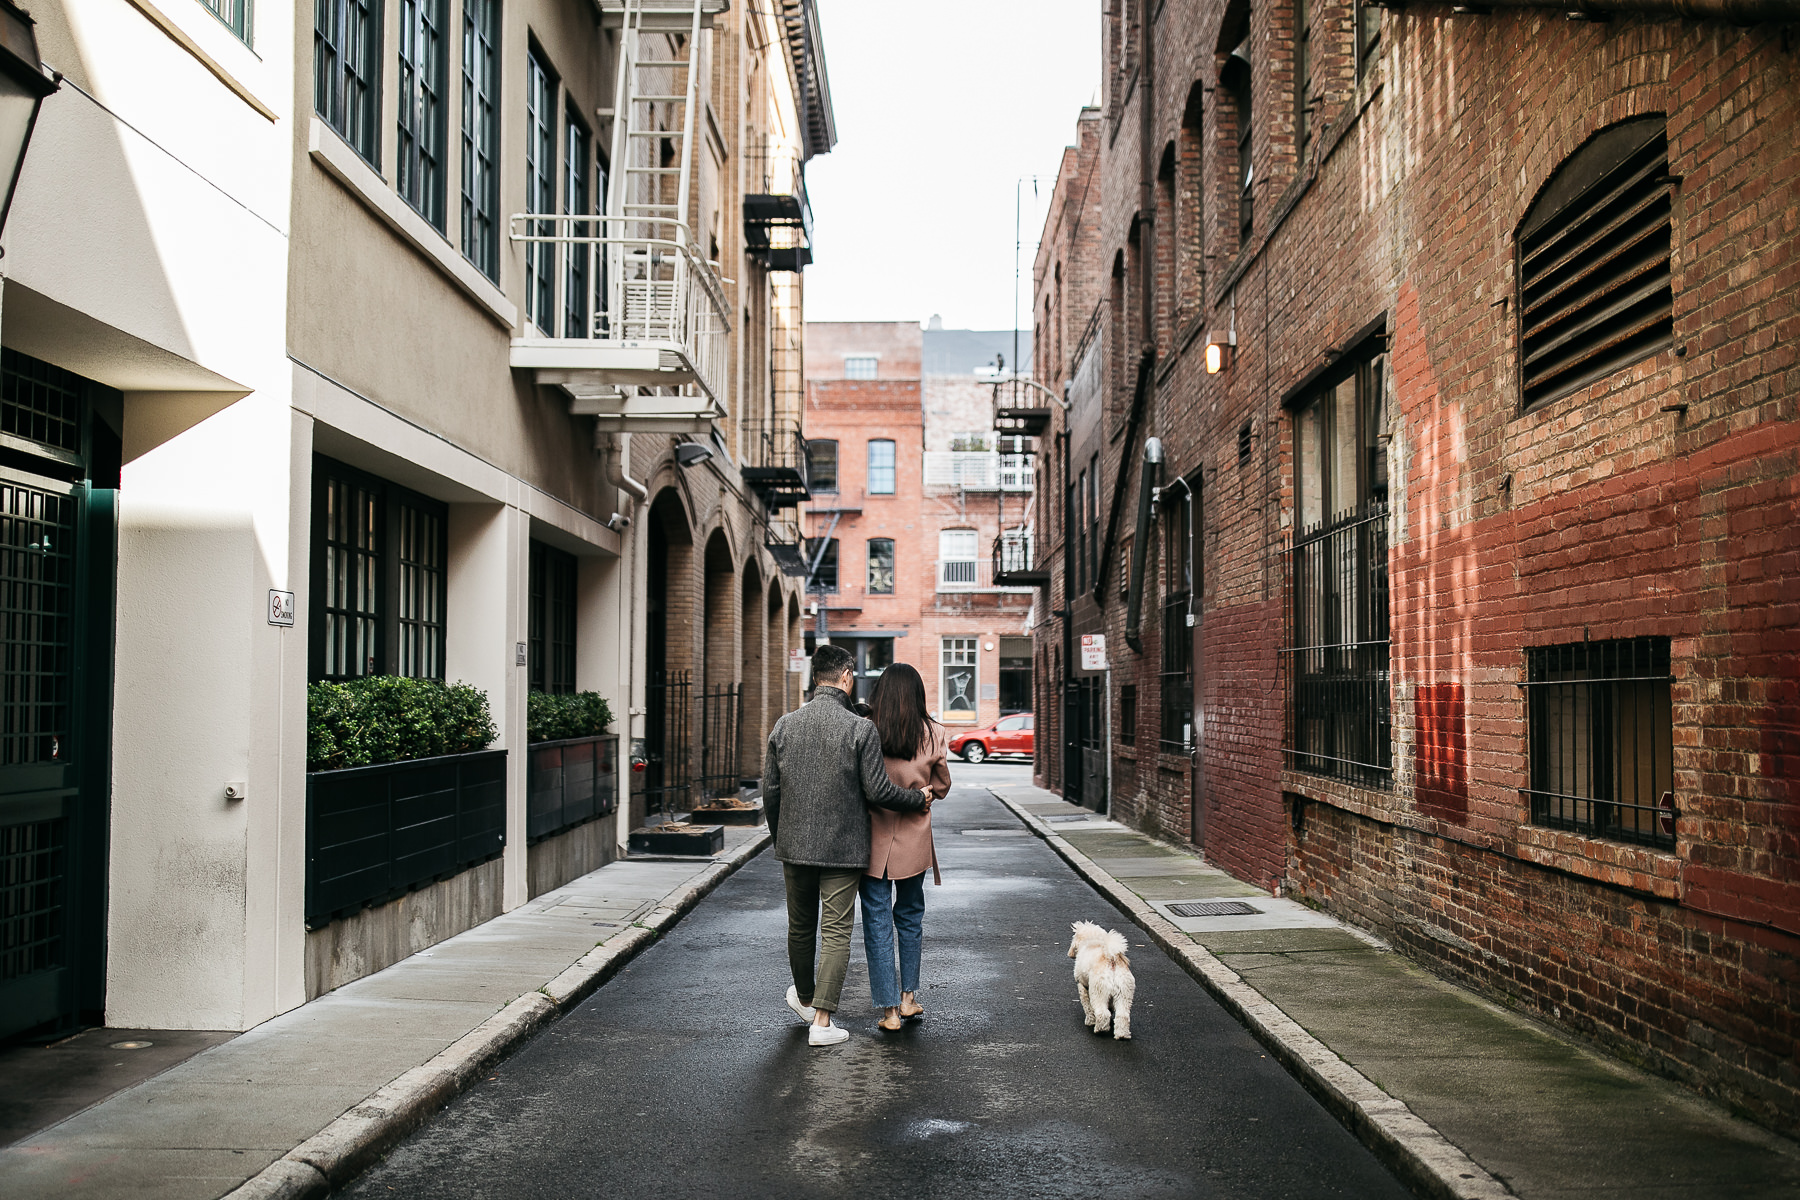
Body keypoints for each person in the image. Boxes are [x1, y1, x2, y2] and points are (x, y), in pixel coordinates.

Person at [763, 644, 933, 1046]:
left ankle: (805, 1000)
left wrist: (780, 835)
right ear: (845, 677)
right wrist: (917, 798)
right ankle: (821, 1022)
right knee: (837, 930)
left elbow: (770, 792)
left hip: (794, 845)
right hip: (842, 849)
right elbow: (878, 791)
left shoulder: (784, 725)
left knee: (800, 927)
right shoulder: (860, 729)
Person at [862, 662, 950, 1032]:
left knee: (877, 922)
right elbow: (942, 787)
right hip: (913, 841)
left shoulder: (866, 731)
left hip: (871, 840)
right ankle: (908, 998)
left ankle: (888, 1012)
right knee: (910, 917)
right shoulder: (933, 733)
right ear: (917, 696)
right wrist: (923, 791)